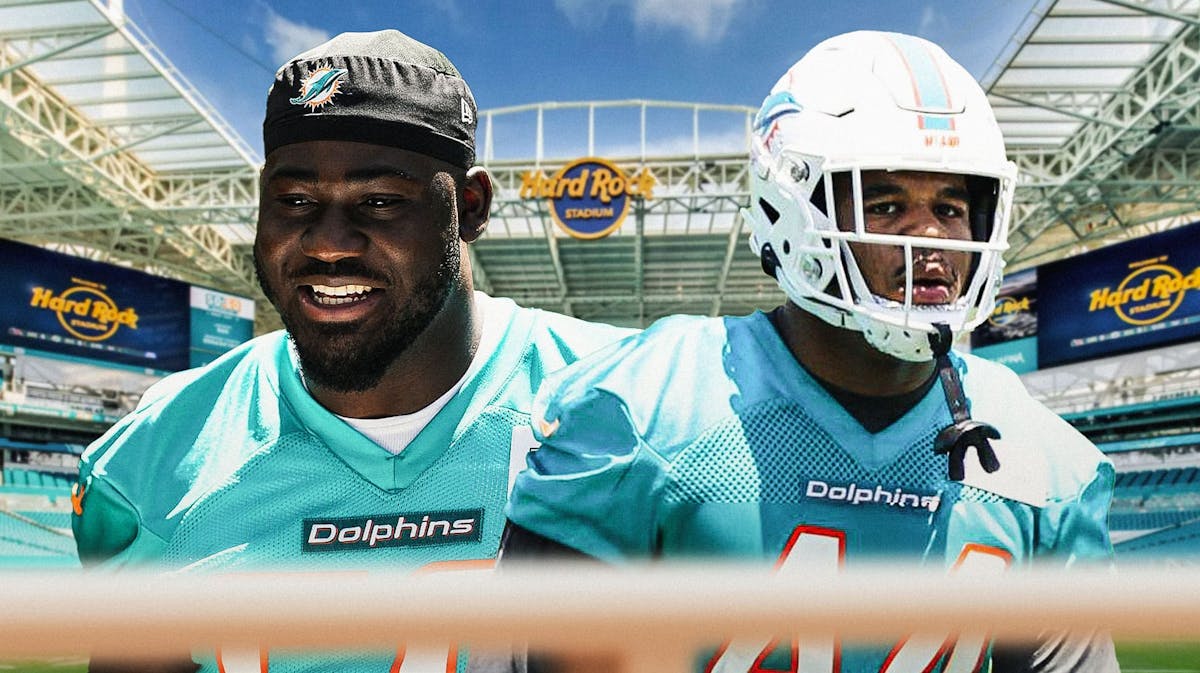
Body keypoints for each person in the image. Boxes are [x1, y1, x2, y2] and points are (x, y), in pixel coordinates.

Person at [501, 31, 1119, 672]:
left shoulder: (1048, 463)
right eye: (885, 205)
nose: (932, 237)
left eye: (951, 207)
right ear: (792, 212)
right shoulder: (643, 409)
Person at [71, 29, 631, 673]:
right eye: (296, 201)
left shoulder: (618, 403)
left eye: (380, 201)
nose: (330, 243)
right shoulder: (157, 454)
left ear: (470, 207)